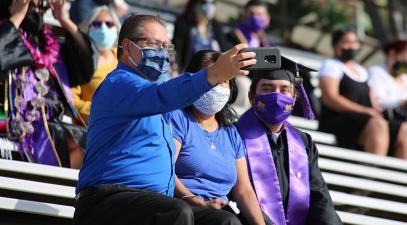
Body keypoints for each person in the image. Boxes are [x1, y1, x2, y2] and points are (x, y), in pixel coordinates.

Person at [74, 15, 257, 225]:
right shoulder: (119, 84)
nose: (160, 52)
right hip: (106, 199)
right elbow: (164, 95)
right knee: (175, 212)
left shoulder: (153, 96)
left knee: (223, 221)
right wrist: (214, 74)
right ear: (127, 47)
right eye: (153, 43)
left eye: (165, 46)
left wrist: (196, 200)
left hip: (152, 204)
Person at [165, 50, 271, 225]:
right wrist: (198, 202)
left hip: (222, 211)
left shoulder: (231, 133)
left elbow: (243, 190)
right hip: (186, 208)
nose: (218, 86)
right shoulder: (177, 118)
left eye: (224, 80)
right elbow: (166, 171)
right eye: (212, 78)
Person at [237, 56, 342, 225]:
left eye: (284, 90)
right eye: (267, 88)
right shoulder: (234, 136)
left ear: (294, 100)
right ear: (251, 97)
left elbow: (319, 197)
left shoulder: (303, 142)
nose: (276, 96)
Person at [0, 0, 86, 168]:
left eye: (42, 7)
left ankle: (64, 192)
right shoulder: (6, 31)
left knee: (88, 141)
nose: (36, 12)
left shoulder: (48, 43)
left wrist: (64, 20)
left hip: (49, 124)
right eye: (31, 6)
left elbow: (84, 65)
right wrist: (16, 16)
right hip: (10, 124)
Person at [318, 28, 407, 159]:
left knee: (403, 129)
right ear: (336, 45)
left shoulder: (362, 71)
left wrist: (375, 111)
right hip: (339, 119)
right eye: (347, 42)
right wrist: (365, 111)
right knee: (377, 125)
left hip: (363, 120)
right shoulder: (331, 66)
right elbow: (330, 98)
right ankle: (373, 173)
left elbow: (373, 102)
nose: (352, 46)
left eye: (355, 42)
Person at [52, 1, 120, 123]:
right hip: (88, 131)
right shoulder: (80, 60)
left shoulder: (123, 57)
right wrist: (100, 111)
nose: (103, 29)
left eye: (109, 24)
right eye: (97, 24)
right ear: (88, 28)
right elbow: (71, 98)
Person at [172, 0, 230, 71]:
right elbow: (175, 50)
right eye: (204, 2)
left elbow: (225, 49)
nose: (209, 6)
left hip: (216, 71)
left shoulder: (216, 25)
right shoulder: (183, 24)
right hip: (190, 73)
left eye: (213, 3)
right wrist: (175, 68)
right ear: (194, 4)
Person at [368, 39, 407, 121]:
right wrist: (402, 102)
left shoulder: (403, 76)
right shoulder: (376, 72)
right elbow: (378, 102)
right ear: (392, 53)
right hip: (390, 119)